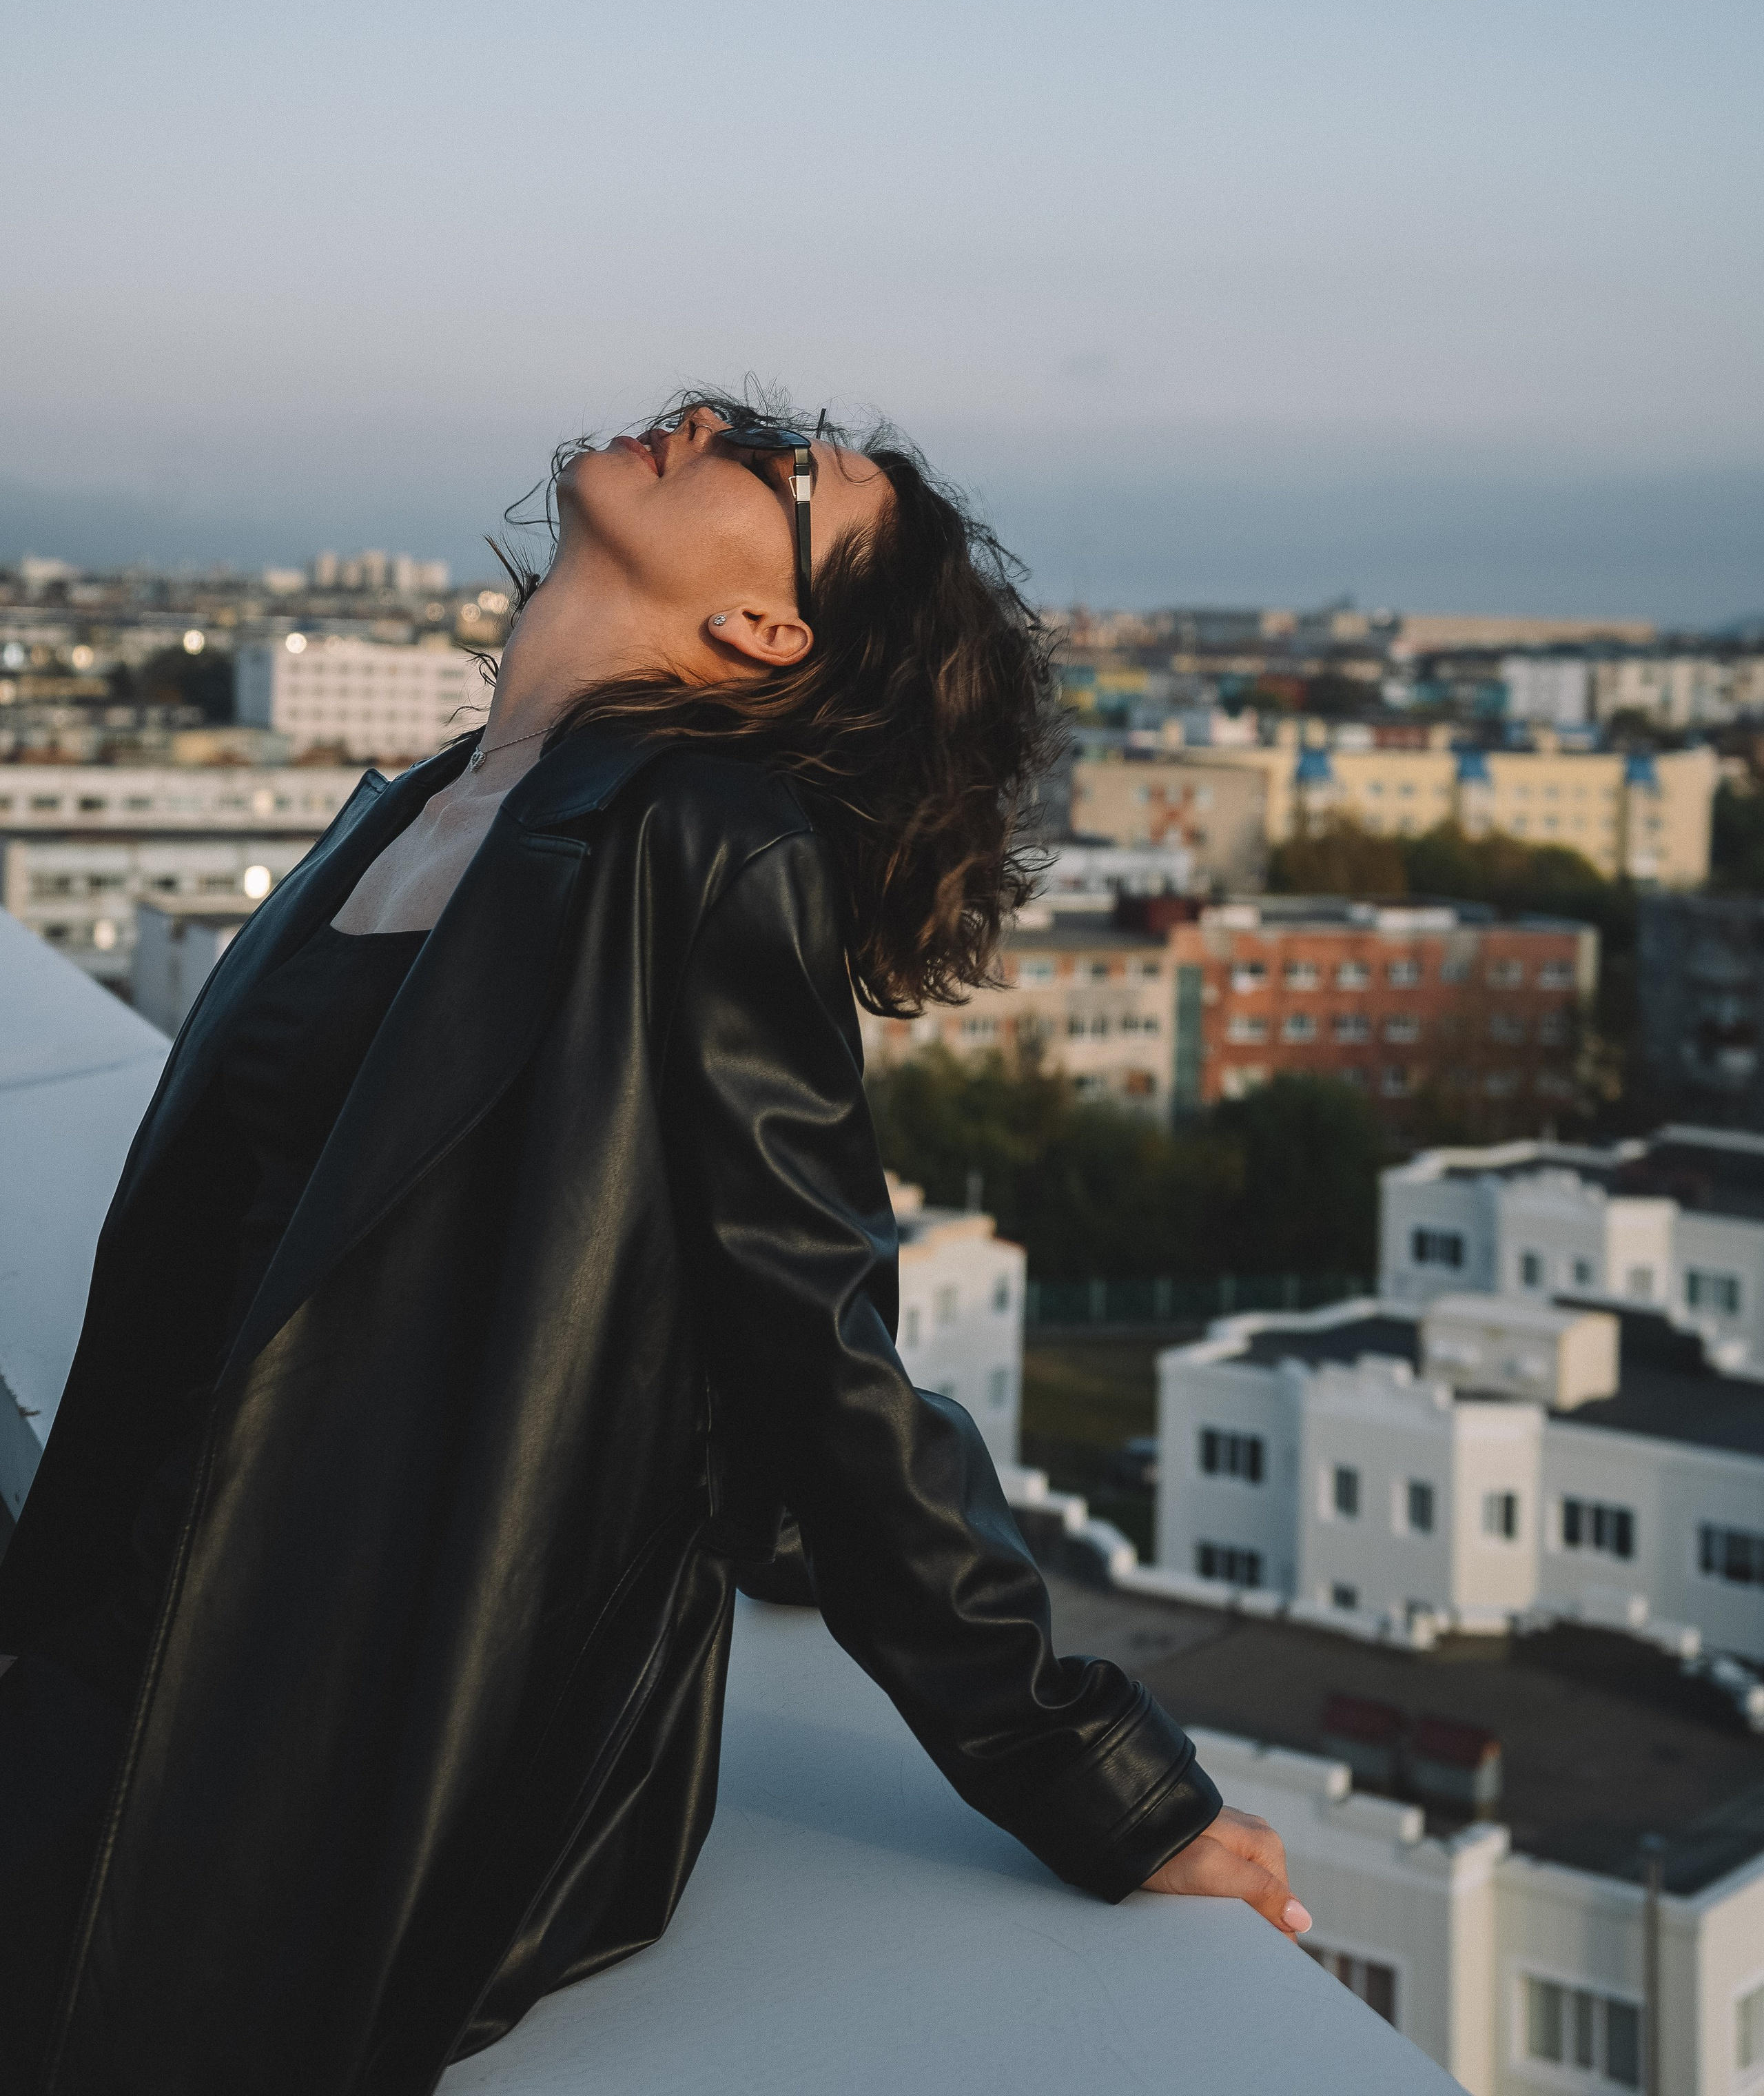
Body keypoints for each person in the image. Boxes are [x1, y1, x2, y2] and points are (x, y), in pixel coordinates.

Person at [0, 396, 1307, 2096]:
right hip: (136, 1617)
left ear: (768, 629)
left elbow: (822, 1352)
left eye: (777, 464)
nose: (702, 414)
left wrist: (1099, 1785)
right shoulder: (405, 813)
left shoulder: (704, 848)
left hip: (336, 1714)